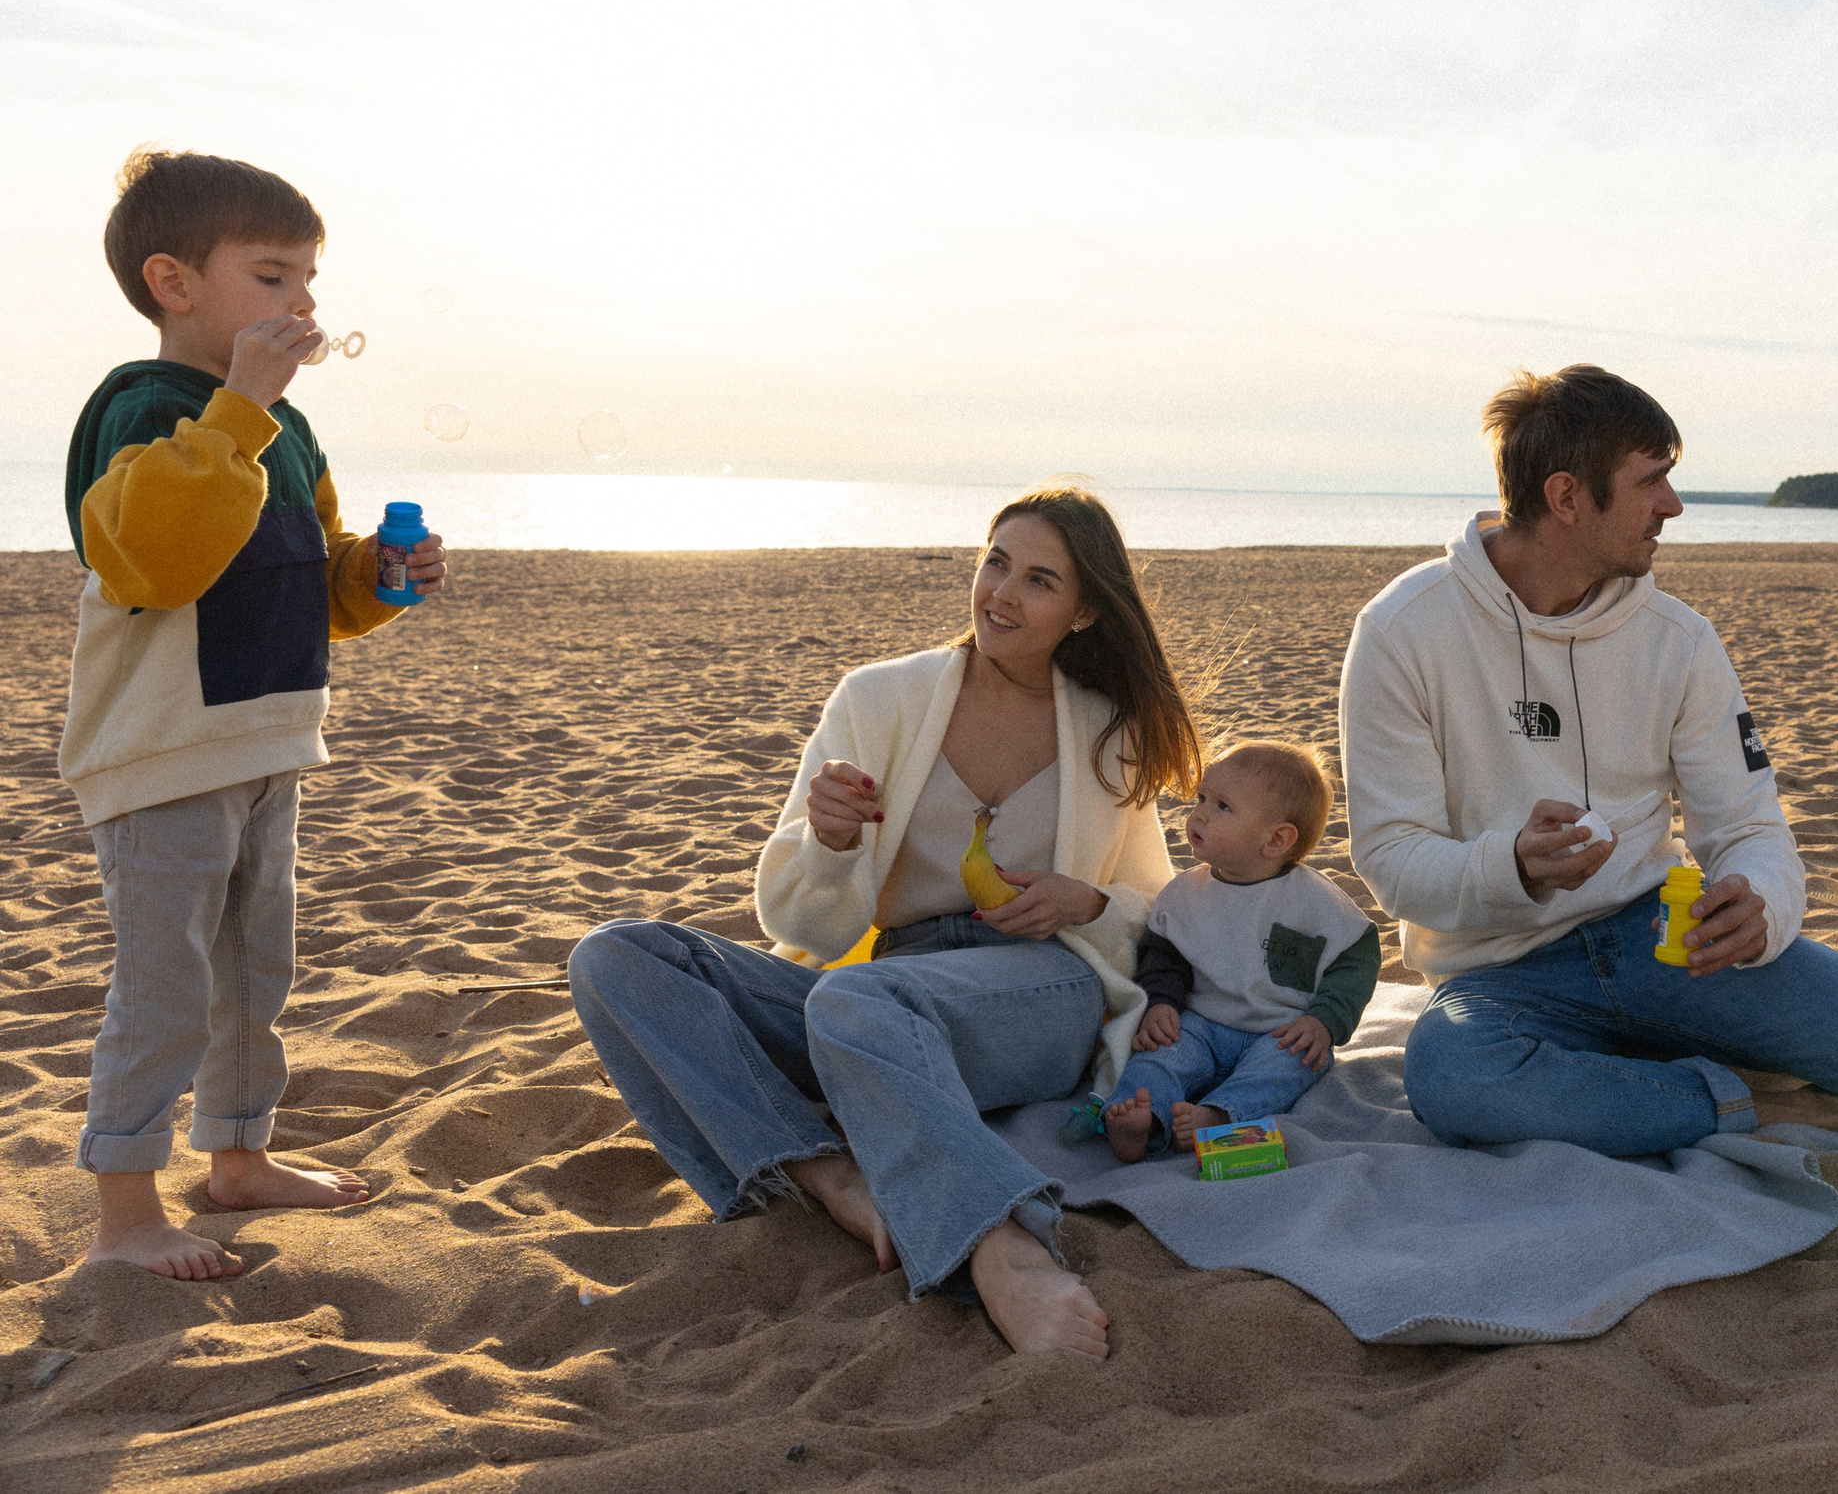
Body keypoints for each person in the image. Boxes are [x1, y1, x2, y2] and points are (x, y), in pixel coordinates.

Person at [1339, 365, 1838, 1169]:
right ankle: (1782, 1105)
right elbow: (1392, 858)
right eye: (1652, 483)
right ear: (1568, 498)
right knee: (1454, 1080)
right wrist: (1512, 866)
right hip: (1500, 977)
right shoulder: (1404, 629)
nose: (1672, 506)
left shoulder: (1679, 641)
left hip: (1665, 942)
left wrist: (1762, 904)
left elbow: (1748, 824)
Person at [568, 488, 1196, 1363]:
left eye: (1039, 580)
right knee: (616, 956)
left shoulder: (1110, 731)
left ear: (1085, 611)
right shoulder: (879, 699)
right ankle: (830, 1174)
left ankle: (998, 1242)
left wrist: (1085, 902)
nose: (1002, 593)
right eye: (995, 561)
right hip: (877, 1001)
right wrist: (825, 842)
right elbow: (804, 926)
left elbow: (1157, 910)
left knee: (855, 1003)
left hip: (1041, 986)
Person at [62, 148, 452, 1280]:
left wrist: (378, 576)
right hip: (161, 755)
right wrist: (239, 411)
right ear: (174, 282)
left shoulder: (285, 429)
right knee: (167, 987)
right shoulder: (141, 408)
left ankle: (236, 1159)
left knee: (252, 974)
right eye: (273, 277)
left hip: (266, 740)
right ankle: (127, 1214)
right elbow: (155, 563)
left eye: (310, 282)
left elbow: (305, 586)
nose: (304, 305)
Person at [1102, 741, 1381, 1161]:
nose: (1199, 813)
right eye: (1202, 799)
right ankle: (1142, 1120)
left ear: (1276, 840)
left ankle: (1218, 1116)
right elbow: (1165, 956)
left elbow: (1357, 957)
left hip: (1281, 1032)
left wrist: (1324, 1020)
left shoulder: (1313, 900)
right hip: (1202, 1024)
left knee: (1288, 1068)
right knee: (1158, 1052)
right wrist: (1161, 1003)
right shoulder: (1185, 894)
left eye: (1223, 807)